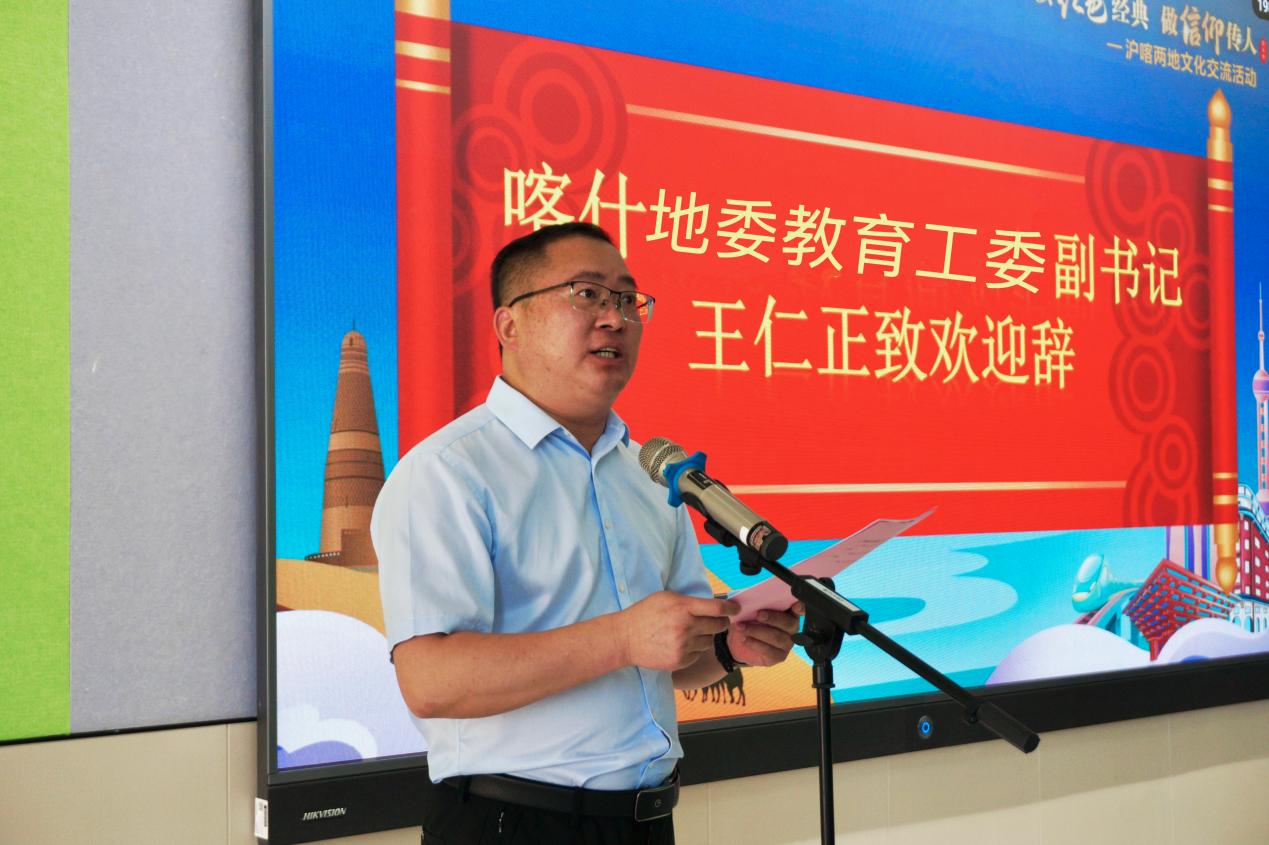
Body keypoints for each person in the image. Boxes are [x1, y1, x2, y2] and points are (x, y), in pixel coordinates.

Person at [372, 221, 803, 844]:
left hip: (645, 823)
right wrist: (623, 637)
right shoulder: (448, 472)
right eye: (587, 294)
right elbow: (430, 682)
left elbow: (664, 661)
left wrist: (729, 648)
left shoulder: (649, 474)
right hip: (511, 825)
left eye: (627, 299)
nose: (614, 318)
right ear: (509, 326)